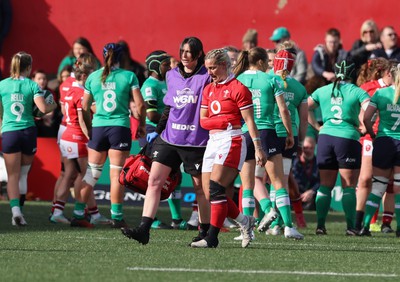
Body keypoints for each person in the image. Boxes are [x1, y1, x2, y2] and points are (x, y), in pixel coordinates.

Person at [121, 37, 211, 245]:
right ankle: (144, 229)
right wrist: (158, 131)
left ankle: (205, 231)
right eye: (182, 51)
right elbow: (169, 107)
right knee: (153, 181)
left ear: (198, 54)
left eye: (190, 52)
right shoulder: (171, 75)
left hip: (195, 141)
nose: (185, 56)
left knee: (200, 188)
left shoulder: (206, 76)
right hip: (169, 137)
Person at [189, 48, 267, 248]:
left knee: (216, 188)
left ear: (224, 65)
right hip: (213, 141)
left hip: (232, 140)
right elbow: (203, 121)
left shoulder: (238, 88)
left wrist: (258, 147)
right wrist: (224, 120)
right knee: (209, 193)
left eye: (213, 67)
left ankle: (212, 238)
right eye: (207, 68)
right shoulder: (208, 89)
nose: (210, 72)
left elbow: (249, 121)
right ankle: (245, 221)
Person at [73, 43, 146, 228]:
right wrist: (142, 124)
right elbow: (140, 105)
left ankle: (78, 213)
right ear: (121, 57)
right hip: (119, 128)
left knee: (91, 174)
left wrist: (90, 128)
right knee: (117, 176)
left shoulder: (93, 77)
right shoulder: (128, 76)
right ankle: (117, 217)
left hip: (99, 128)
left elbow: (84, 106)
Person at [235, 47, 304, 240]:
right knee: (278, 182)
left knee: (247, 184)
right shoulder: (271, 79)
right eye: (267, 61)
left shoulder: (237, 80)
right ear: (260, 62)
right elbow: (283, 110)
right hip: (267, 132)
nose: (269, 65)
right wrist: (290, 133)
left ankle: (247, 231)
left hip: (245, 133)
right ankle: (288, 227)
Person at [308, 59, 370, 235]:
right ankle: (351, 227)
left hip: (326, 138)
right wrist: (365, 127)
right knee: (349, 186)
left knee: (325, 186)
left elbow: (305, 107)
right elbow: (370, 110)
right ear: (354, 74)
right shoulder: (357, 91)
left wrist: (317, 127)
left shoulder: (323, 90)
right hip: (347, 138)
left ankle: (320, 226)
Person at [52, 55, 111, 226]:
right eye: (90, 76)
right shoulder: (80, 93)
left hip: (66, 135)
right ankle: (82, 212)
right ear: (84, 76)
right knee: (86, 177)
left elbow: (64, 111)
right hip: (77, 137)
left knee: (70, 175)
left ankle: (61, 211)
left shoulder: (69, 90)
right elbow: (85, 117)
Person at [0, 52, 57, 226]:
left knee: (12, 176)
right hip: (27, 132)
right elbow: (43, 108)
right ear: (29, 67)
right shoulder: (32, 85)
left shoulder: (2, 85)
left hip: (9, 132)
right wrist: (53, 104)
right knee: (23, 174)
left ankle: (15, 212)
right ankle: (21, 213)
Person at [360, 63, 400, 237]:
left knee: (377, 188)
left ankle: (364, 226)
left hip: (383, 142)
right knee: (398, 187)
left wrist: (372, 134)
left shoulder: (381, 93)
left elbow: (367, 118)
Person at [291, 136, 319, 210]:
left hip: (310, 197)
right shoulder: (293, 161)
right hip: (293, 195)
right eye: (306, 148)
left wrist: (312, 191)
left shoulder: (318, 163)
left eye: (311, 148)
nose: (308, 150)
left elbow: (321, 182)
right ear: (302, 148)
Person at [31, 70, 61, 137]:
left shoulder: (50, 92)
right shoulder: (29, 92)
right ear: (33, 79)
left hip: (46, 122)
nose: (42, 81)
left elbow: (51, 111)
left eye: (44, 79)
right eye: (39, 79)